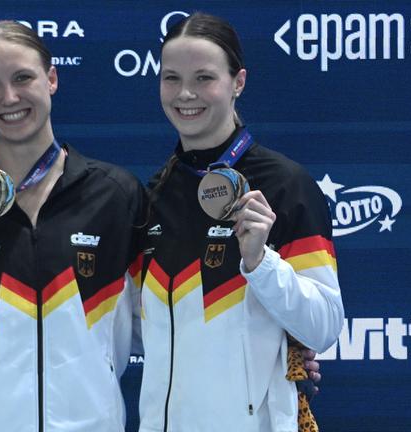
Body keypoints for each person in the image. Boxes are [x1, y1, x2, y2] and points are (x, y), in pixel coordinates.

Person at [0, 20, 145, 432]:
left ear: (51, 79)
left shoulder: (115, 194)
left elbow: (166, 329)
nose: (9, 97)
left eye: (23, 77)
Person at [138, 13, 344, 432]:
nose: (185, 94)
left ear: (239, 82)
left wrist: (260, 263)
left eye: (204, 78)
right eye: (171, 78)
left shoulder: (285, 185)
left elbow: (323, 325)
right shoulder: (156, 191)